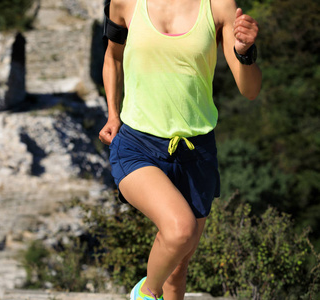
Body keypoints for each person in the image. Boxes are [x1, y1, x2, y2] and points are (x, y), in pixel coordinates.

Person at [99, 0, 262, 299]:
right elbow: (113, 59)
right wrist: (113, 114)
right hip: (138, 145)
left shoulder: (219, 6)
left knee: (179, 265)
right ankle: (146, 293)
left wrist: (244, 52)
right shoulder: (125, 3)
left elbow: (249, 90)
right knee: (179, 230)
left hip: (196, 152)